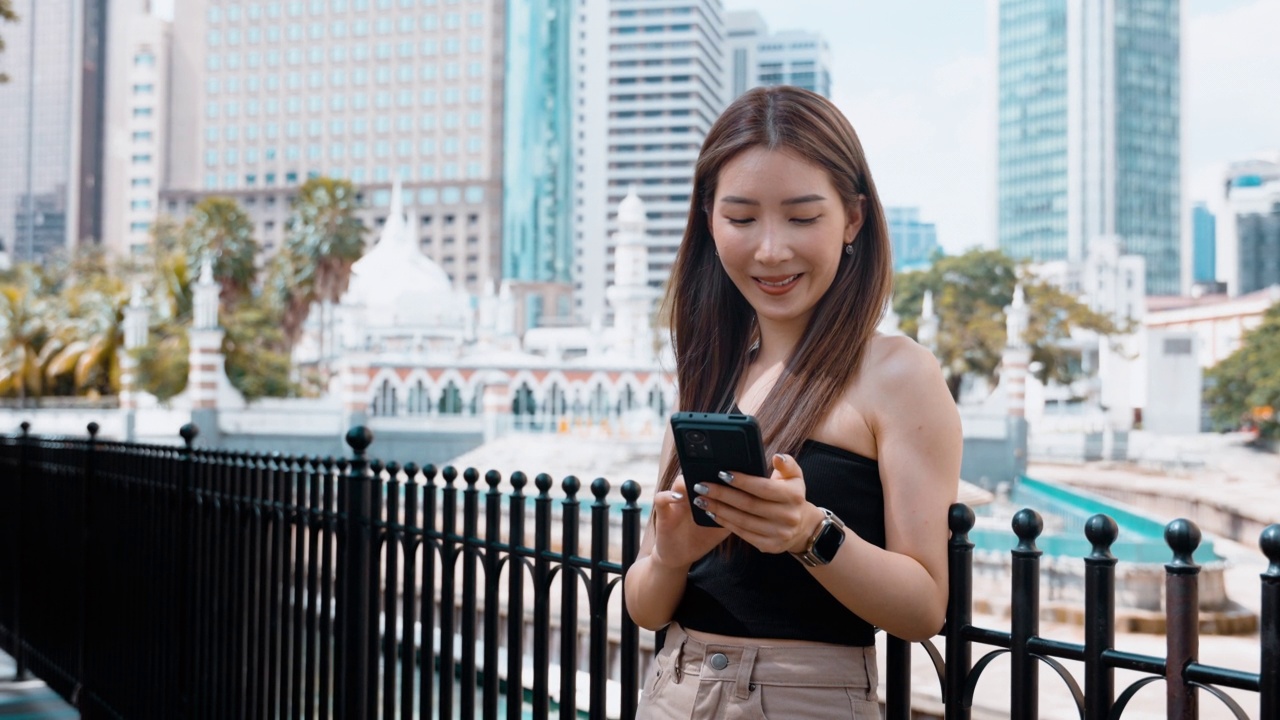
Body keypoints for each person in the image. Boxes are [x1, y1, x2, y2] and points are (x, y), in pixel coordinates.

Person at [623, 85, 962, 719]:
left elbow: (923, 608)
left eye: (803, 217)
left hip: (805, 699)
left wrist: (808, 531)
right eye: (742, 218)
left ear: (853, 217)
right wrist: (671, 556)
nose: (771, 249)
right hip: (671, 687)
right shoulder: (712, 374)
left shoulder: (898, 372)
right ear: (708, 219)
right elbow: (644, 605)